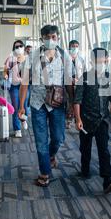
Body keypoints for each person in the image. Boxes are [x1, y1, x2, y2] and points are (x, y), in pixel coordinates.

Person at [18, 25, 74, 187]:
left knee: (58, 137)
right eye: (47, 37)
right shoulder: (33, 56)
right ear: (42, 38)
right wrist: (22, 105)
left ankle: (50, 156)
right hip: (38, 103)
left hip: (57, 103)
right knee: (41, 140)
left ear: (58, 37)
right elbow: (24, 83)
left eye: (54, 37)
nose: (51, 40)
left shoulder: (64, 56)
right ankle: (44, 172)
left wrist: (71, 103)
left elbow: (69, 83)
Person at [73, 48, 111, 194]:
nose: (102, 63)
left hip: (103, 120)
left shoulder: (108, 77)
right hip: (86, 120)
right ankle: (85, 169)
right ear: (92, 61)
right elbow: (77, 101)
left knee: (104, 150)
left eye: (104, 61)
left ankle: (107, 180)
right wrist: (78, 119)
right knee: (85, 148)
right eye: (99, 61)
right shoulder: (85, 78)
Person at [3, 40, 29, 138]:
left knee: (25, 105)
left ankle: (23, 119)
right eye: (16, 47)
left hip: (25, 85)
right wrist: (5, 75)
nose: (18, 48)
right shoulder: (10, 59)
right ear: (14, 48)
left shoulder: (27, 59)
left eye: (20, 46)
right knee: (15, 106)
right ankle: (17, 129)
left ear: (23, 47)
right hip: (14, 85)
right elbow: (5, 70)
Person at [66, 40, 87, 129]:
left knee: (77, 102)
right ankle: (69, 119)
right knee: (69, 101)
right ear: (69, 47)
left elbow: (85, 72)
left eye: (76, 46)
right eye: (73, 46)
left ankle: (77, 120)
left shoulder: (81, 59)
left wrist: (80, 80)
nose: (75, 48)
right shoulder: (65, 58)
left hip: (79, 84)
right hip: (68, 84)